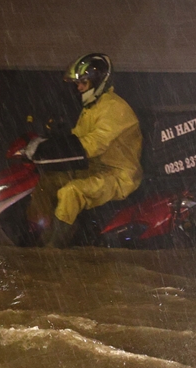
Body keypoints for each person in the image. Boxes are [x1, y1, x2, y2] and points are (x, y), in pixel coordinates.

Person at [25, 53, 143, 247]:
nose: (79, 87)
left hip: (120, 175)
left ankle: (53, 249)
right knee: (48, 181)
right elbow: (76, 138)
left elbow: (92, 144)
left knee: (71, 192)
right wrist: (45, 143)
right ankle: (38, 234)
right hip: (95, 168)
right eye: (78, 83)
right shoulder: (92, 108)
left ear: (97, 82)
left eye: (83, 83)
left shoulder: (115, 108)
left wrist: (46, 151)